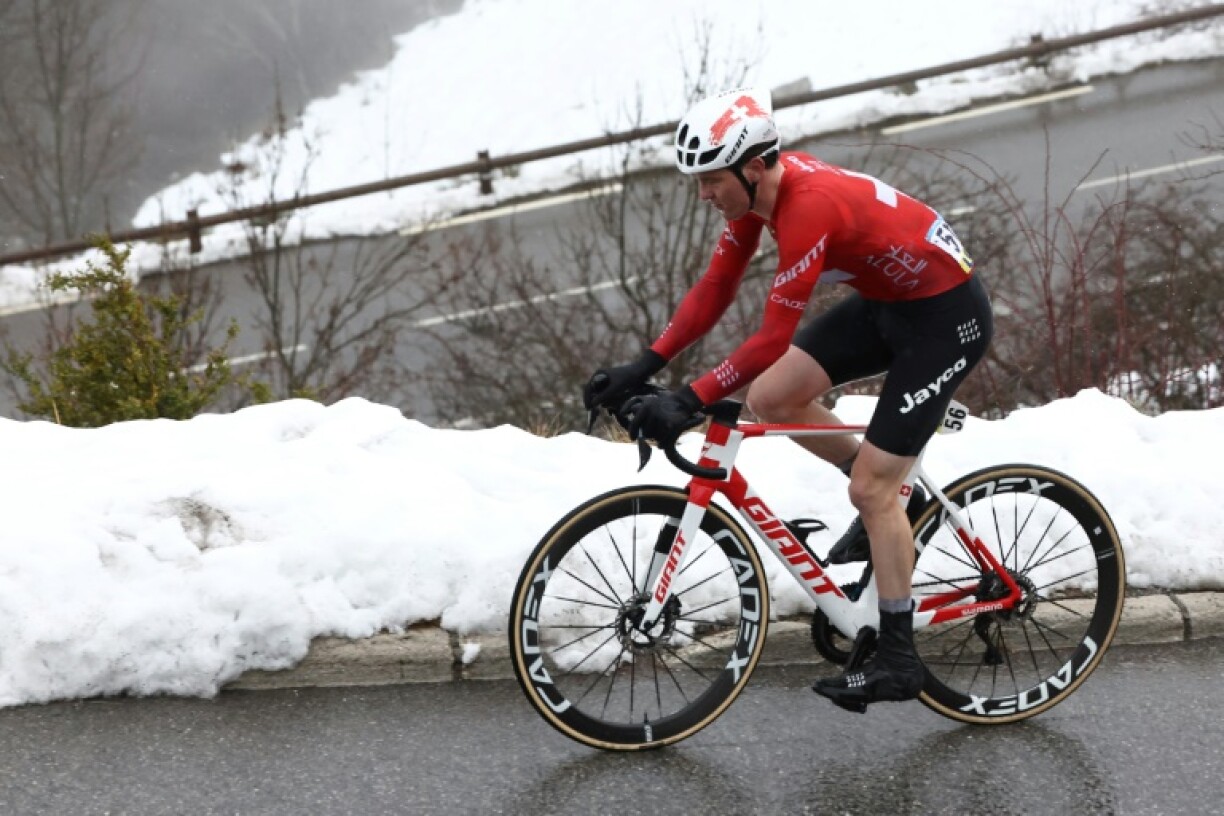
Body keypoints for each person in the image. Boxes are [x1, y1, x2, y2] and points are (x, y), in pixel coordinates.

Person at [582, 86, 994, 710]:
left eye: (710, 180)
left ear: (752, 167)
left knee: (872, 491)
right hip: (890, 306)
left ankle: (899, 659)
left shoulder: (807, 205)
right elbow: (716, 286)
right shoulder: (755, 198)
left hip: (945, 321)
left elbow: (773, 336)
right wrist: (644, 365)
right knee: (773, 398)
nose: (703, 194)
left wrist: (690, 399)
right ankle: (893, 511)